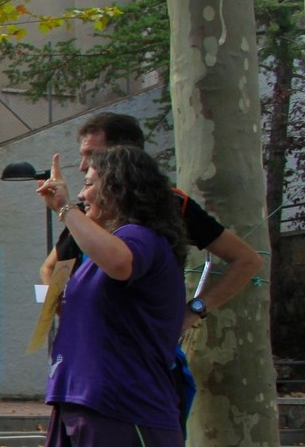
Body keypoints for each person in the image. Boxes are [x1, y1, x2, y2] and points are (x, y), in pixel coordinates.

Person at [34, 146, 196, 447]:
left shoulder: (139, 238)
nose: (81, 194)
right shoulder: (110, 244)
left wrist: (66, 209)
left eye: (89, 184)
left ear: (118, 189)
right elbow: (60, 273)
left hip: (120, 404)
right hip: (98, 403)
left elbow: (120, 262)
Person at [40, 112, 264, 331]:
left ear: (126, 155)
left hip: (150, 345)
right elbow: (51, 269)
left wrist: (195, 311)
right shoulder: (87, 211)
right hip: (102, 347)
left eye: (92, 156)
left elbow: (247, 259)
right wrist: (70, 321)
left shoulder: (172, 205)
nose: (82, 166)